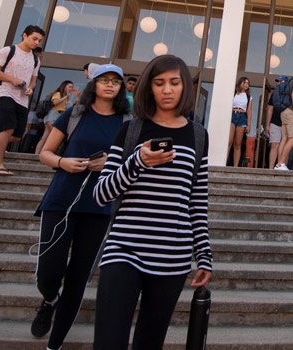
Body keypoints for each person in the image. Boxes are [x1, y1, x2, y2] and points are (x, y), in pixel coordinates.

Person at [92, 55, 212, 350]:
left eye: (174, 82)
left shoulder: (198, 136)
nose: (167, 90)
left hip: (173, 257)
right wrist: (137, 162)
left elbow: (196, 200)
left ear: (185, 87)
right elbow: (101, 194)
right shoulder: (131, 131)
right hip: (124, 250)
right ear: (149, 87)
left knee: (150, 342)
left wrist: (204, 254)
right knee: (108, 342)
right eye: (159, 83)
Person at [30, 64, 130, 350]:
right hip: (61, 200)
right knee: (48, 273)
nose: (109, 85)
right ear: (94, 85)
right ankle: (49, 299)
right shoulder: (74, 114)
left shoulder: (127, 123)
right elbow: (46, 153)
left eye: (115, 81)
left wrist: (110, 161)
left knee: (78, 279)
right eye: (104, 80)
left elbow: (132, 164)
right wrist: (63, 162)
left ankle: (55, 344)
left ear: (122, 87)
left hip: (99, 206)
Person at [0, 25, 45, 175]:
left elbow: (33, 79)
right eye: (34, 38)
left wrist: (31, 88)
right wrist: (12, 79)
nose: (36, 42)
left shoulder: (34, 59)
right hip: (4, 93)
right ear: (24, 36)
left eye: (39, 40)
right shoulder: (8, 51)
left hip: (21, 99)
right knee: (7, 128)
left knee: (17, 135)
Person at [35, 80, 74, 154]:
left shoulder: (66, 97)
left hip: (57, 116)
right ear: (64, 87)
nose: (71, 88)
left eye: (72, 87)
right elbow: (55, 102)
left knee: (45, 137)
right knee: (56, 136)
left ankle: (38, 153)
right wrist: (66, 96)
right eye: (69, 86)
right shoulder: (58, 94)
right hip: (52, 115)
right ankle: (47, 153)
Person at [227, 76, 252, 167]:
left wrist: (248, 125)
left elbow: (249, 111)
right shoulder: (234, 93)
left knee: (237, 144)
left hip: (242, 117)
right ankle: (223, 162)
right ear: (240, 83)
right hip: (233, 115)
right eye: (244, 83)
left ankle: (235, 166)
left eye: (248, 83)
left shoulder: (249, 96)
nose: (246, 85)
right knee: (229, 141)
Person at [266, 76, 287, 169]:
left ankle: (282, 167)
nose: (279, 83)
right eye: (278, 82)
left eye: (281, 81)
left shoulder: (290, 96)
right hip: (275, 123)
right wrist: (267, 125)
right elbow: (270, 110)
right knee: (275, 144)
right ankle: (271, 169)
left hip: (286, 124)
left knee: (285, 147)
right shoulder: (274, 95)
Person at [275, 76, 293, 171]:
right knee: (292, 139)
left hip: (284, 111)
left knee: (284, 139)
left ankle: (279, 165)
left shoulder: (289, 80)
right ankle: (281, 163)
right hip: (290, 112)